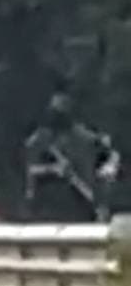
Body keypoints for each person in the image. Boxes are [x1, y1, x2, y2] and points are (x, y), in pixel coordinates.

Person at [23, 94, 119, 222]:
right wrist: (53, 169)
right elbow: (30, 170)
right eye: (56, 113)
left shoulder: (82, 136)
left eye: (62, 113)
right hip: (49, 203)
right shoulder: (39, 139)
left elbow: (109, 153)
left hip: (82, 202)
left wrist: (108, 170)